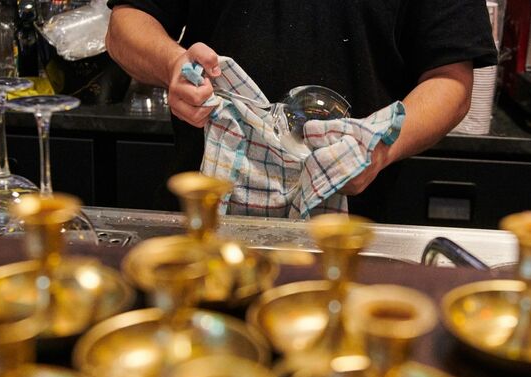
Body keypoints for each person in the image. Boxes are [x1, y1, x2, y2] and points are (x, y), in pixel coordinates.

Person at [105, 0, 497, 222]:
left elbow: (451, 80)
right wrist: (172, 63)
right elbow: (126, 25)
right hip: (205, 214)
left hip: (357, 226)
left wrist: (379, 149)